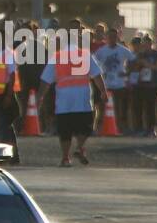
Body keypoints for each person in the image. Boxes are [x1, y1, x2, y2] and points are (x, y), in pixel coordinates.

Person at [37, 33, 106, 167]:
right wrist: (103, 91)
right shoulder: (85, 55)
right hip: (82, 97)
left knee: (65, 129)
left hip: (63, 99)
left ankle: (65, 158)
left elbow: (45, 80)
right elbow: (97, 75)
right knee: (85, 126)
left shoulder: (56, 57)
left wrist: (40, 96)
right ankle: (79, 147)